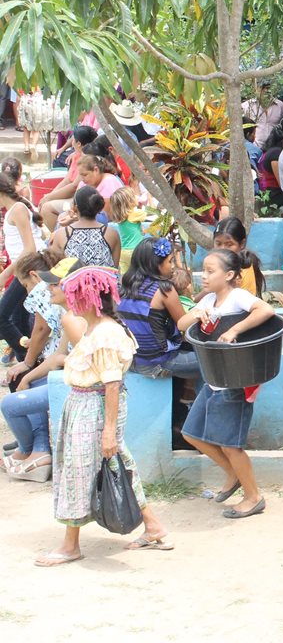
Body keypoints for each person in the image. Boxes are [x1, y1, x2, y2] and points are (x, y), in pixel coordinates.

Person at [35, 262, 172, 566]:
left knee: (80, 470)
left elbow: (112, 383)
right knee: (116, 464)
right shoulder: (96, 328)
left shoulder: (106, 332)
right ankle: (153, 526)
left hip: (93, 407)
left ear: (84, 296)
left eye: (66, 290)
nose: (60, 293)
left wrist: (108, 430)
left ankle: (71, 545)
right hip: (86, 405)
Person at [178, 249, 275, 519]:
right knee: (191, 434)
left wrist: (234, 330)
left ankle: (253, 497)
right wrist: (197, 313)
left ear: (230, 275)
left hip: (234, 383)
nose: (204, 276)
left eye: (211, 271)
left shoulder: (238, 297)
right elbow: (181, 323)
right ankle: (233, 474)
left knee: (232, 445)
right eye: (204, 270)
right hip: (213, 381)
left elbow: (266, 309)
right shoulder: (208, 300)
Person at [1, 250, 63, 482]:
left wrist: (28, 363)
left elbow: (41, 329)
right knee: (26, 375)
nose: (27, 291)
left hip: (59, 369)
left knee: (25, 379)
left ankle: (36, 449)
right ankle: (31, 448)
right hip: (56, 361)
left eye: (24, 285)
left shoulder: (41, 291)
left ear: (34, 276)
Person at [118, 237, 197, 378]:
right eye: (170, 261)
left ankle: (181, 397)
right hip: (156, 363)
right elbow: (183, 323)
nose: (173, 266)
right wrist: (199, 312)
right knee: (211, 362)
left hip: (131, 361)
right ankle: (196, 399)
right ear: (156, 264)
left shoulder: (126, 284)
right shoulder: (164, 289)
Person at [0, 173, 45, 362]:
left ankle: (26, 360)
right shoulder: (13, 210)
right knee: (20, 320)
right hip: (25, 268)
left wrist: (6, 274)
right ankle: (27, 361)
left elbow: (30, 248)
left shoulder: (18, 209)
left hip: (30, 268)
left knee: (3, 318)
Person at [38, 124, 97, 230]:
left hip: (79, 199)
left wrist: (49, 198)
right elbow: (67, 180)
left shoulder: (87, 159)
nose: (71, 142)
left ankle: (56, 239)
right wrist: (50, 195)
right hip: (72, 196)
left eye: (73, 140)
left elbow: (74, 186)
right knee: (45, 202)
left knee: (46, 208)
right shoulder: (76, 156)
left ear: (78, 143)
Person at [48, 186, 121, 269]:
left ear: (75, 208)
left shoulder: (62, 234)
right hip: (104, 281)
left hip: (73, 281)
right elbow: (114, 268)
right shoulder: (111, 233)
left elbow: (55, 269)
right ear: (98, 207)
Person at [211, 217, 264, 298]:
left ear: (242, 244)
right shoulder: (218, 267)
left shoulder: (243, 271)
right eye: (218, 244)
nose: (222, 249)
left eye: (229, 244)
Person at [107, 186, 146, 272]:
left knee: (126, 275)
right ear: (130, 201)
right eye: (134, 196)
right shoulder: (134, 213)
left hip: (124, 251)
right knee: (141, 272)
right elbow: (147, 213)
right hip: (136, 249)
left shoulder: (121, 217)